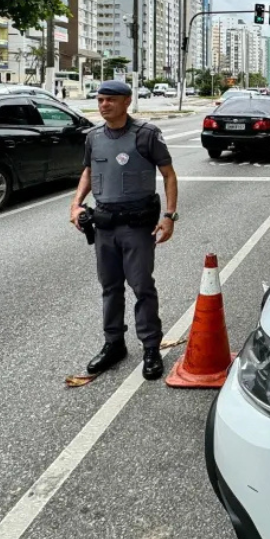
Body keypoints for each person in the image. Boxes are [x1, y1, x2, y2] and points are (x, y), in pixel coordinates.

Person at [70, 80, 179, 380]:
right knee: (110, 288)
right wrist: (76, 204)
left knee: (142, 287)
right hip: (104, 226)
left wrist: (169, 215)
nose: (104, 105)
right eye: (100, 100)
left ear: (127, 101)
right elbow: (89, 172)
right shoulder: (93, 137)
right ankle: (114, 343)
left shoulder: (146, 135)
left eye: (110, 100)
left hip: (136, 226)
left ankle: (151, 347)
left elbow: (168, 174)